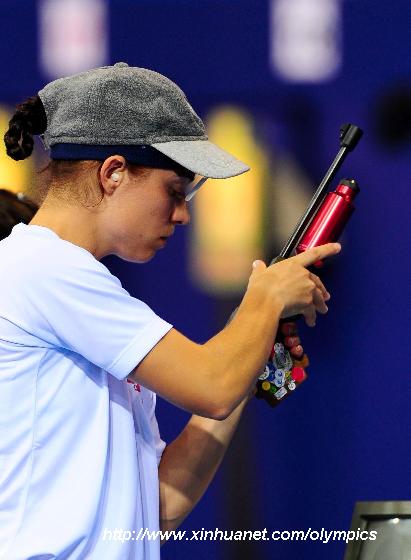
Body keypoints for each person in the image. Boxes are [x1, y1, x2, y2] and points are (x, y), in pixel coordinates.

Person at [0, 62, 340, 559]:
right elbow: (212, 387)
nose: (182, 215)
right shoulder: (46, 270)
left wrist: (249, 352)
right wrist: (264, 301)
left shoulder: (60, 279)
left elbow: (155, 507)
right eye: (175, 192)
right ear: (113, 172)